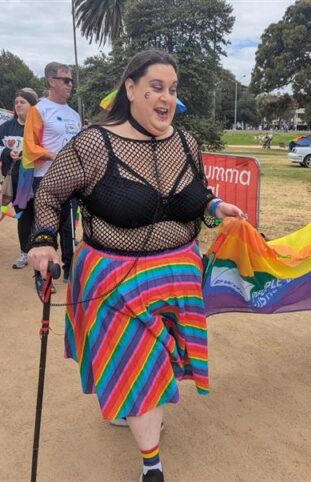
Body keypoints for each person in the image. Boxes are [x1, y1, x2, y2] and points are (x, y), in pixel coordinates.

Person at [27, 49, 245, 482]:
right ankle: (152, 465)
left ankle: (132, 406)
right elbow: (50, 193)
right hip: (115, 281)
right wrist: (43, 241)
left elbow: (193, 194)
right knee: (141, 363)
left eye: (173, 89)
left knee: (162, 361)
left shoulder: (186, 143)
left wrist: (216, 205)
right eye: (156, 88)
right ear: (130, 89)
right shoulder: (94, 143)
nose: (166, 98)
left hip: (179, 276)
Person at [23, 62, 81, 285]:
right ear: (51, 81)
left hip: (71, 179)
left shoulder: (74, 114)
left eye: (71, 81)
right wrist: (56, 156)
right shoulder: (39, 110)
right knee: (45, 226)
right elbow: (30, 147)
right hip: (46, 177)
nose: (70, 85)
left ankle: (69, 270)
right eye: (66, 80)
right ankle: (41, 275)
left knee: (69, 227)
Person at [0, 88, 39, 269]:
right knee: (24, 217)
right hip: (19, 180)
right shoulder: (7, 127)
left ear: (32, 106)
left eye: (23, 102)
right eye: (16, 102)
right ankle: (24, 252)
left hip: (40, 179)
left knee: (42, 217)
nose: (18, 105)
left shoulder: (41, 126)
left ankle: (41, 251)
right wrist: (7, 152)